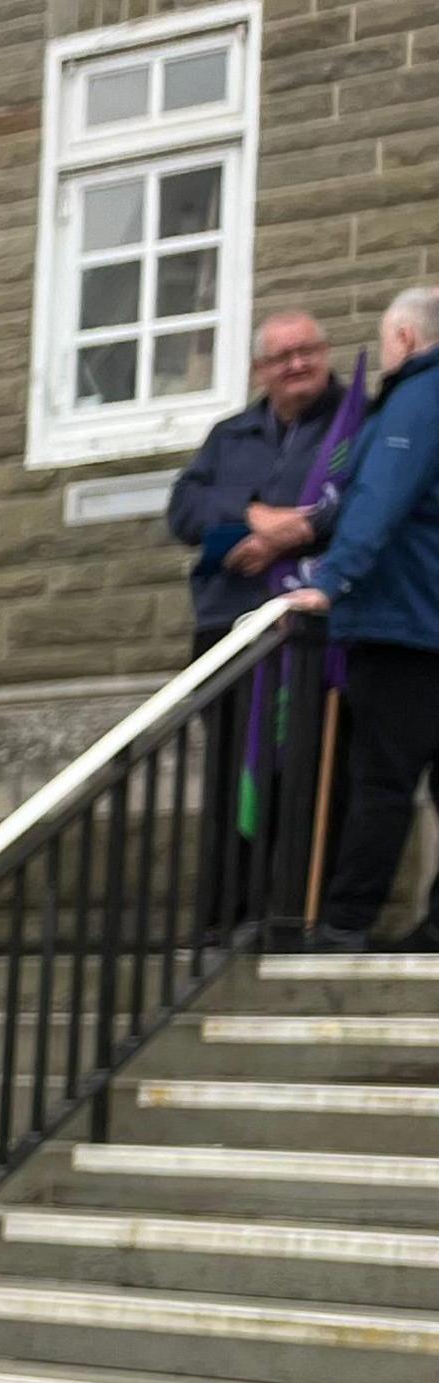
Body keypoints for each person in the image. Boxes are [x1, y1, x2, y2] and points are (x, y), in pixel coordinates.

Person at [285, 286, 439, 952]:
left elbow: (381, 494)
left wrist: (332, 579)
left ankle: (346, 921)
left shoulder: (418, 396)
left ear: (404, 337)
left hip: (405, 621)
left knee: (380, 776)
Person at [169, 310, 343, 651]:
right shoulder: (229, 434)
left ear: (326, 352)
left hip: (318, 619)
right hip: (229, 618)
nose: (297, 364)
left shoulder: (362, 423)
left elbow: (374, 506)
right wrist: (249, 512)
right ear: (259, 370)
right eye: (282, 357)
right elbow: (183, 509)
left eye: (307, 351)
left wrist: (283, 539)